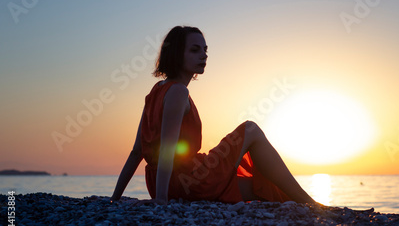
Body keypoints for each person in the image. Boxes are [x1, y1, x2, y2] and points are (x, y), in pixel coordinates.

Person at [111, 26, 318, 205]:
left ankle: (308, 204)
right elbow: (167, 149)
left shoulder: (156, 91)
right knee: (250, 128)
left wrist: (115, 198)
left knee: (259, 186)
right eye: (194, 50)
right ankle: (311, 203)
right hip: (187, 180)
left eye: (205, 50)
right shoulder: (178, 92)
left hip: (164, 183)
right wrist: (162, 201)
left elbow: (136, 152)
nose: (204, 55)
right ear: (175, 53)